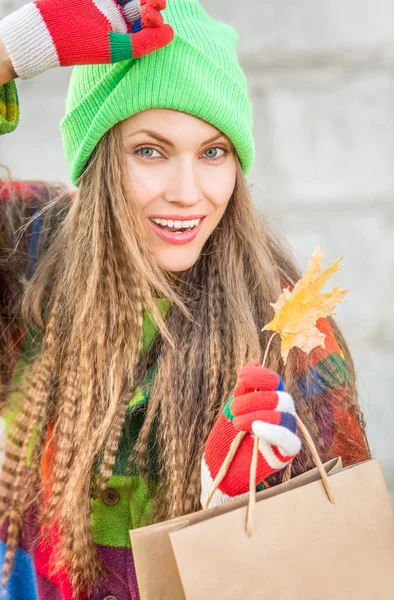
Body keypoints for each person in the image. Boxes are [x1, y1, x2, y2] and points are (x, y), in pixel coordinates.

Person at [0, 0, 370, 598]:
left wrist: (224, 510)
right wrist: (14, 49)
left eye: (213, 152)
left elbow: (338, 564)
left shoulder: (284, 327)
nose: (187, 193)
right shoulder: (29, 248)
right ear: (97, 159)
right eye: (149, 150)